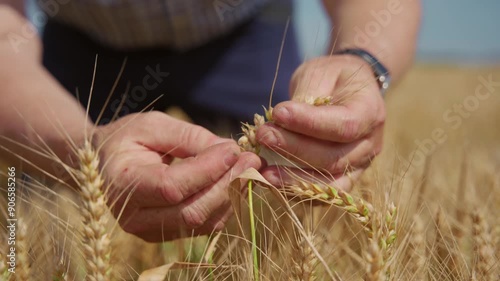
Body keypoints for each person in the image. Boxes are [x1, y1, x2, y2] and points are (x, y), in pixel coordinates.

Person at [0, 0, 420, 242]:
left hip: (245, 31)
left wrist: (363, 62)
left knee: (286, 198)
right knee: (31, 203)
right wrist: (83, 147)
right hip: (82, 40)